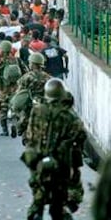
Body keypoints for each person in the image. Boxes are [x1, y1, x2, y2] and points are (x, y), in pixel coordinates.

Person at [21, 78, 86, 220]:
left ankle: (36, 211)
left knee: (38, 193)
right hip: (59, 162)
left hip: (37, 160)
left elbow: (29, 133)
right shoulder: (68, 116)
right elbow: (80, 135)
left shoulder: (36, 111)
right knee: (58, 202)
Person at [13, 53, 50, 143]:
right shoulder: (48, 77)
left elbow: (20, 91)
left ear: (33, 64)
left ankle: (23, 133)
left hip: (30, 103)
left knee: (23, 119)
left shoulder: (27, 77)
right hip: (44, 103)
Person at [0, 40, 24, 136]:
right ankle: (16, 126)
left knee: (3, 110)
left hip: (4, 90)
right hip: (16, 89)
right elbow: (24, 71)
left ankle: (5, 130)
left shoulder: (0, 62)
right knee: (17, 108)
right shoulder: (17, 60)